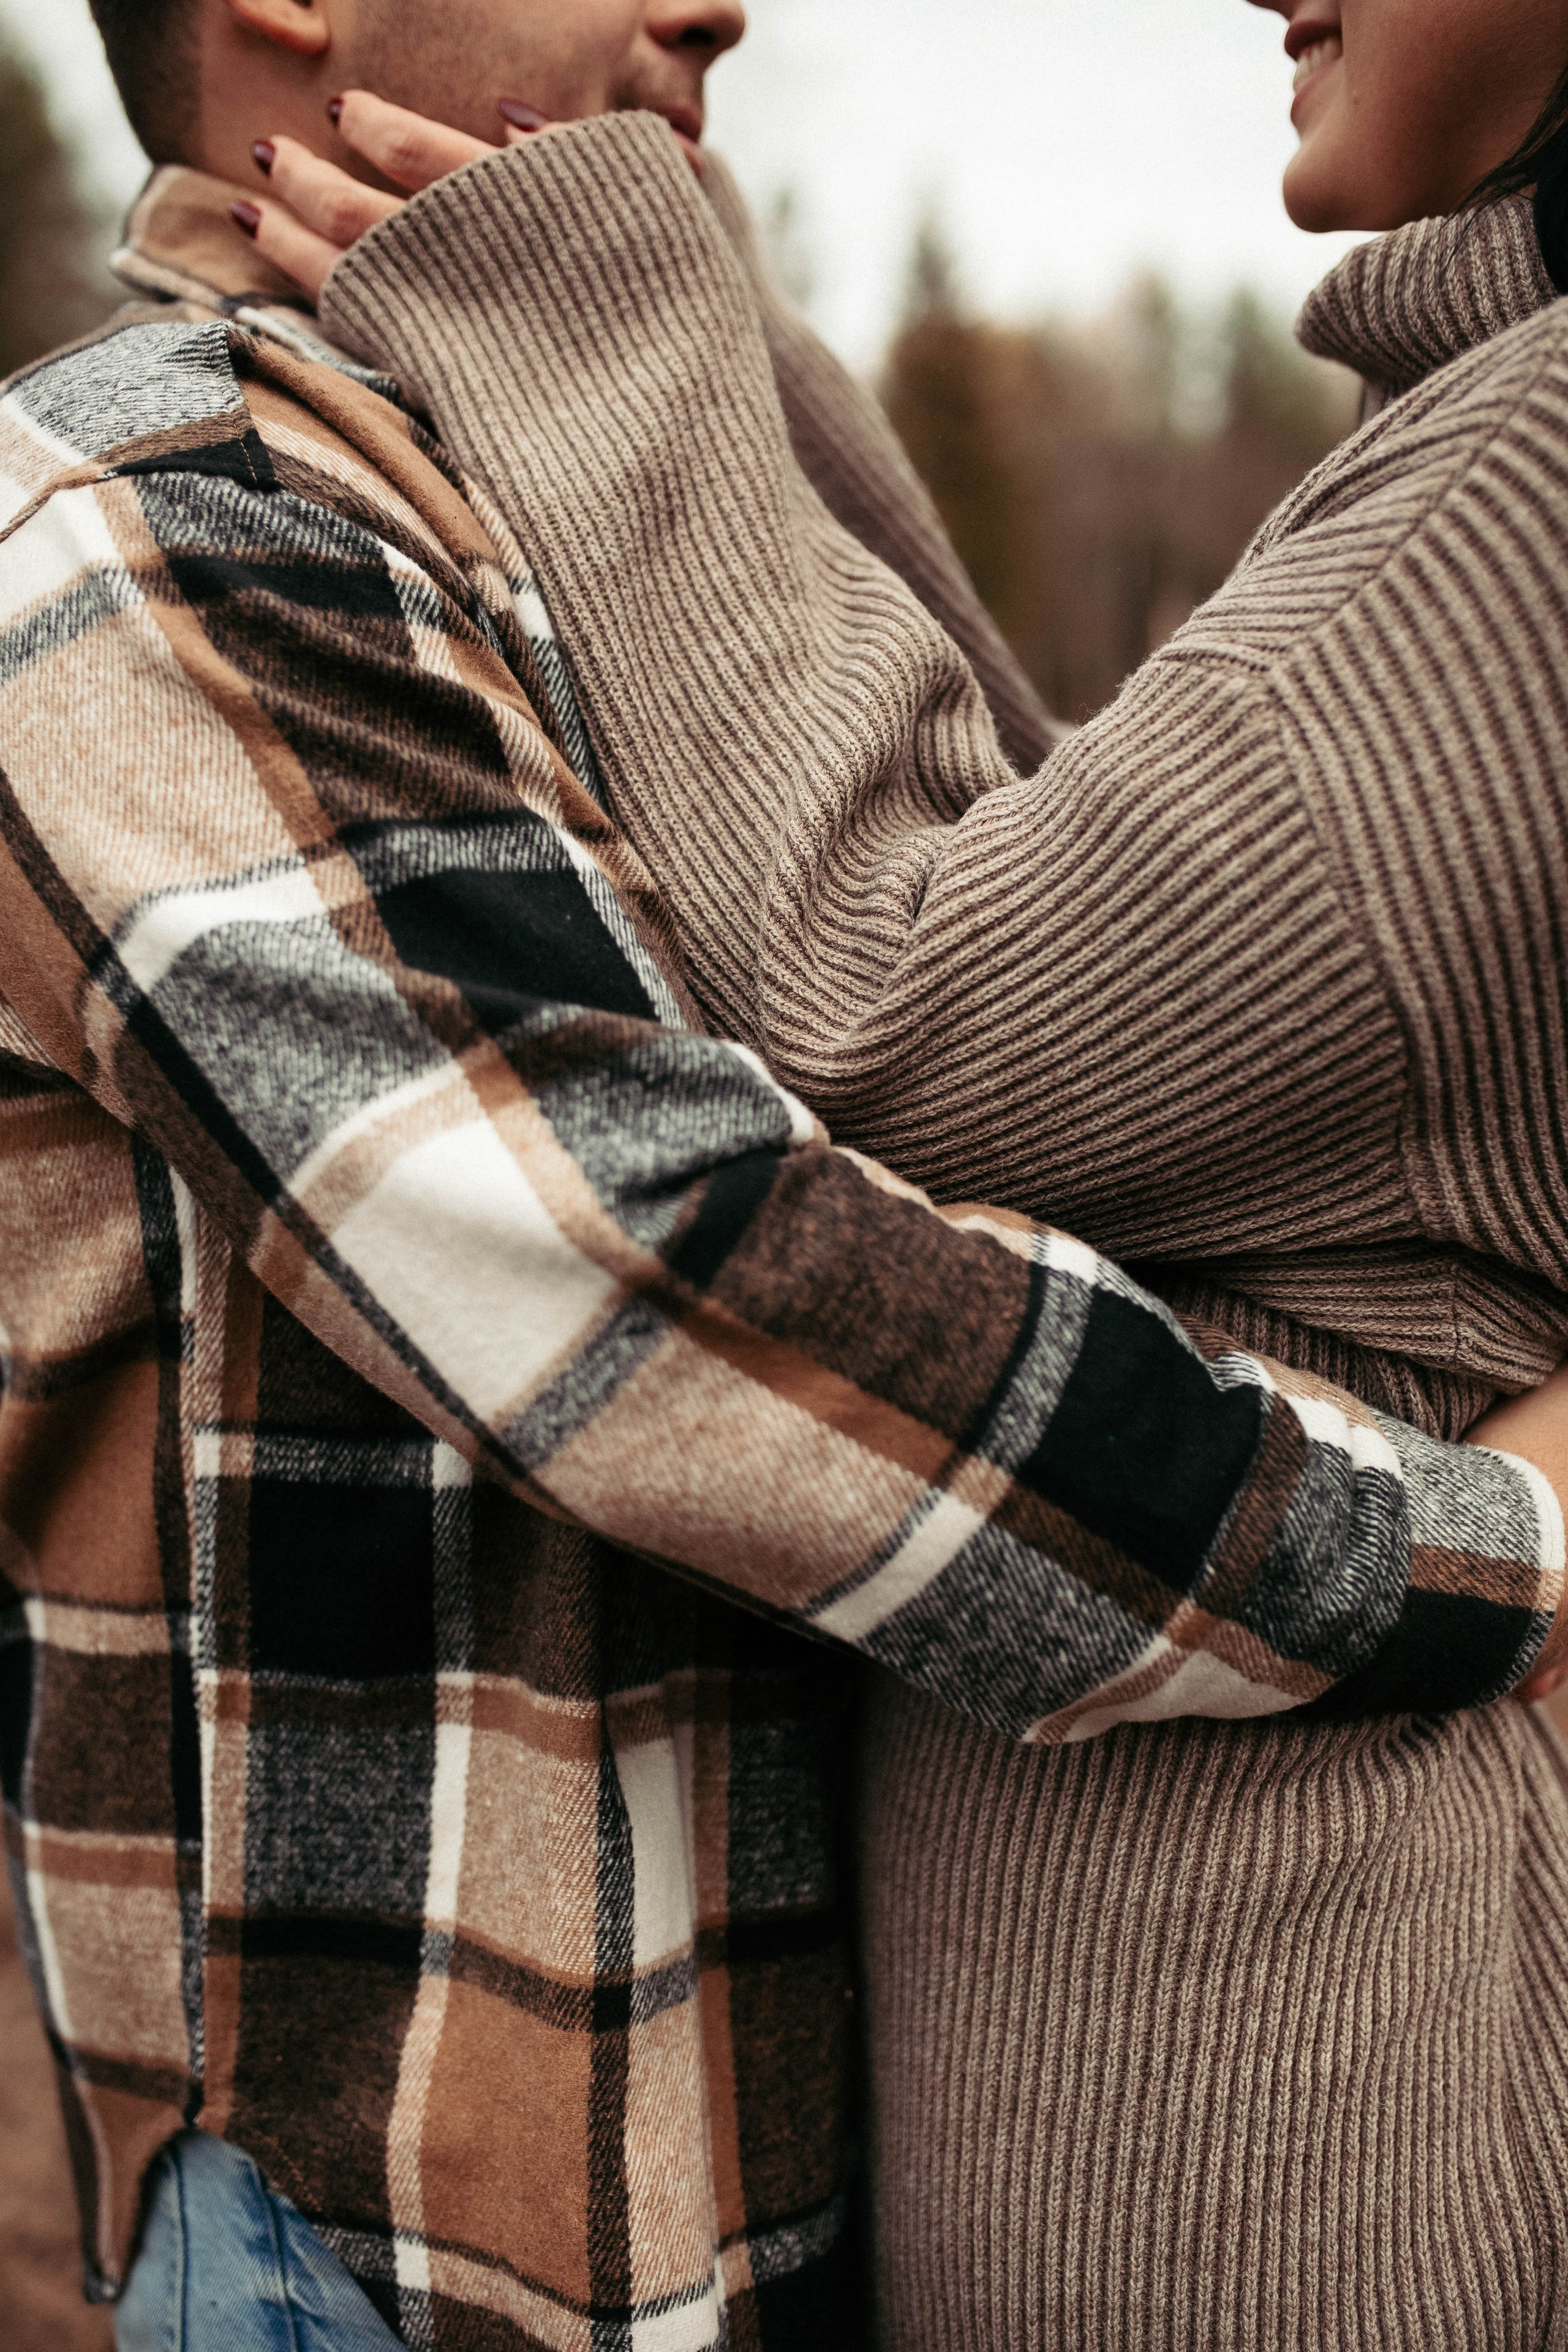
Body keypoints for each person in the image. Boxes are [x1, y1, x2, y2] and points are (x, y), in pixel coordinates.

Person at [10, 3, 1557, 2348]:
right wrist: (1476, 1554)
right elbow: (694, 1292)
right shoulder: (140, 523)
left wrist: (683, 335)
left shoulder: (511, 477)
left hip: (778, 2165)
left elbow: (1030, 949)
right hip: (425, 2240)